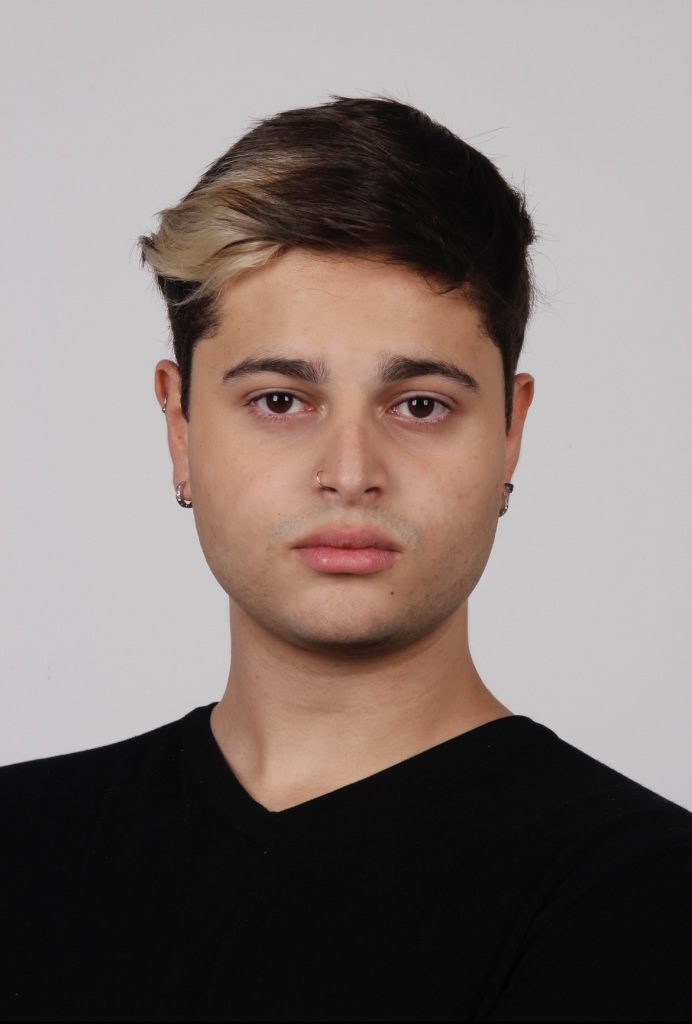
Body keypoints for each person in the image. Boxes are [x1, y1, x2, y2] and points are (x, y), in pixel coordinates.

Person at [1, 97, 690, 1023]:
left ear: (511, 433)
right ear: (181, 426)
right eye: (281, 401)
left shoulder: (645, 892)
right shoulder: (20, 841)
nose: (351, 472)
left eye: (420, 406)